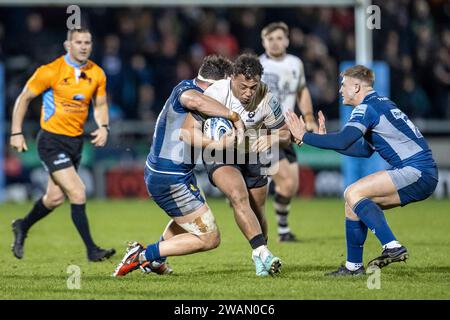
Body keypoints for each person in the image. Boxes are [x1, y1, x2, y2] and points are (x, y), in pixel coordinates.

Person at [285, 65, 439, 276]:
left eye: (343, 85)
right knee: (352, 204)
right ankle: (353, 267)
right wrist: (325, 139)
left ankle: (392, 246)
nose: (340, 90)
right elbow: (364, 149)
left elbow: (343, 139)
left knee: (353, 191)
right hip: (423, 173)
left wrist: (304, 136)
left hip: (415, 170)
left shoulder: (366, 108)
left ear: (356, 86)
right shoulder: (382, 103)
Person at [113, 55, 246, 277]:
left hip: (175, 174)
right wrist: (232, 116)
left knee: (187, 220)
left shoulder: (197, 93)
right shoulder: (188, 92)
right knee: (210, 238)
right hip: (169, 177)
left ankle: (156, 261)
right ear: (216, 84)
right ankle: (143, 256)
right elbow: (194, 102)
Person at [10, 28, 116, 262]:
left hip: (75, 142)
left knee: (54, 198)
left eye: (87, 41)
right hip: (51, 141)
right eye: (78, 42)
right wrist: (16, 132)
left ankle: (22, 225)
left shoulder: (97, 73)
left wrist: (103, 127)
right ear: (68, 45)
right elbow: (24, 98)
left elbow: (99, 105)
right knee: (78, 192)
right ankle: (92, 250)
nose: (84, 46)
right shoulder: (50, 71)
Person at [183, 53, 291, 276]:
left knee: (258, 208)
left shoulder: (267, 99)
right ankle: (263, 252)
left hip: (251, 154)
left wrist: (271, 138)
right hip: (220, 154)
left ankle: (260, 254)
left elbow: (286, 134)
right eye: (243, 86)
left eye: (253, 87)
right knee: (238, 195)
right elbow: (186, 133)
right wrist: (215, 142)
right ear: (231, 77)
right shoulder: (215, 93)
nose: (248, 93)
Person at [260, 22, 318, 242]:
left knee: (290, 184)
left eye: (279, 38)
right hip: (266, 133)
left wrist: (309, 116)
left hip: (288, 132)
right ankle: (261, 235)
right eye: (270, 39)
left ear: (287, 40)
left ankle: (283, 230)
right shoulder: (258, 66)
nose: (275, 42)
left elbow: (301, 90)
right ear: (263, 42)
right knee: (283, 179)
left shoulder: (296, 63)